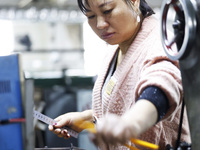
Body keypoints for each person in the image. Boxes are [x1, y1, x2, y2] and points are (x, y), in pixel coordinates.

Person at [49, 0, 191, 149]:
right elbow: (122, 106)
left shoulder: (157, 44)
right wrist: (88, 118)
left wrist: (130, 125)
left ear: (134, 2)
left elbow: (161, 85)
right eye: (91, 16)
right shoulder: (117, 47)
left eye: (107, 11)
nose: (100, 24)